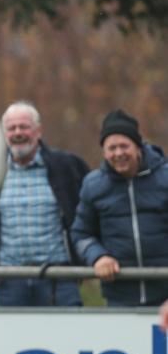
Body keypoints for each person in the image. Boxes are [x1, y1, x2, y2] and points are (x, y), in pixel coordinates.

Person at [0, 101, 89, 306]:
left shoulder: (65, 166)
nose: (18, 133)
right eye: (11, 128)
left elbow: (91, 206)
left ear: (38, 131)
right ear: (4, 134)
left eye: (24, 127)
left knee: (69, 328)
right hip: (10, 280)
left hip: (59, 277)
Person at [71, 109, 168, 307]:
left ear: (138, 147)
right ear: (104, 152)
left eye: (124, 146)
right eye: (112, 148)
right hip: (120, 297)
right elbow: (81, 234)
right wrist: (98, 257)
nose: (118, 153)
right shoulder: (92, 185)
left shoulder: (165, 178)